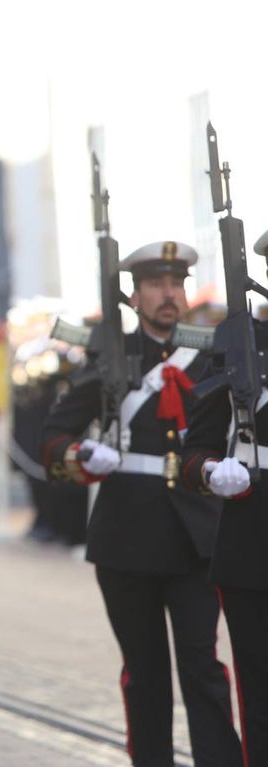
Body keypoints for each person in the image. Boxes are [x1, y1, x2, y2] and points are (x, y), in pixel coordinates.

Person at [40, 241, 242, 766]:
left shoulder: (212, 353)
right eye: (156, 285)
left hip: (199, 535)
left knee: (202, 665)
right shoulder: (110, 355)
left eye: (176, 284)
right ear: (134, 295)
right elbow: (52, 440)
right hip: (126, 535)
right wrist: (81, 454)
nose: (168, 295)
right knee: (145, 671)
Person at [179, 227, 268, 765]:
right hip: (251, 543)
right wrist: (212, 471)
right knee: (259, 693)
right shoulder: (236, 344)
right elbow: (195, 450)